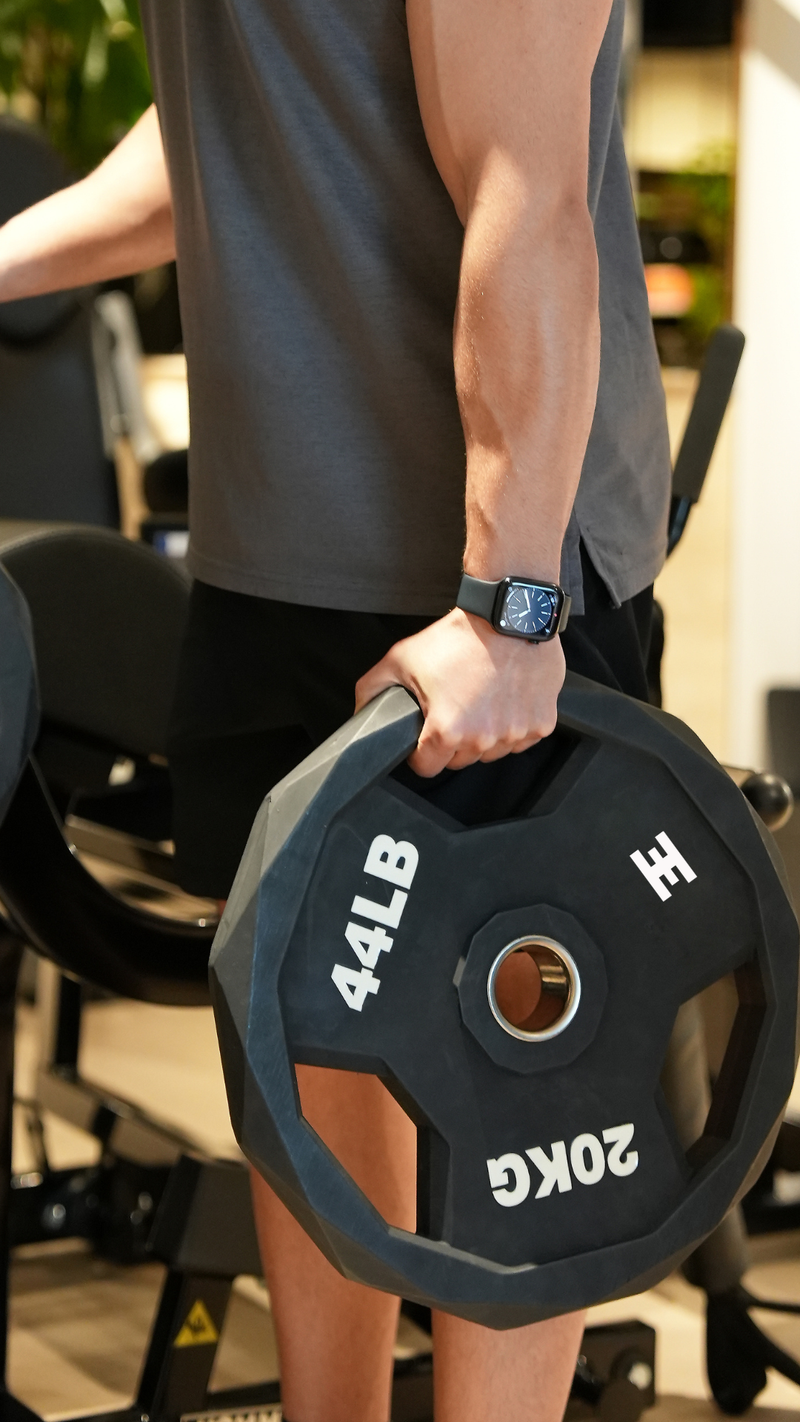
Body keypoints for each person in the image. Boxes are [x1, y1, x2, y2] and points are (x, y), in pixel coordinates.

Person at [0, 0, 674, 1417]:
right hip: (276, 550)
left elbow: (527, 188)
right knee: (308, 1053)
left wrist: (513, 608)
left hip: (483, 579)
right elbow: (234, 138)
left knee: (515, 1085)